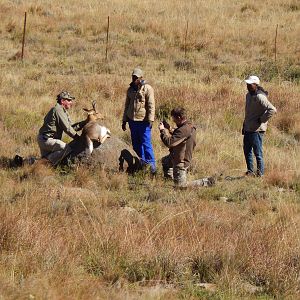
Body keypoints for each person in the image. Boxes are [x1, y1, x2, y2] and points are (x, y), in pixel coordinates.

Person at [37, 91, 87, 166]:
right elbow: (67, 129)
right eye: (69, 100)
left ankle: (28, 162)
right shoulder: (58, 110)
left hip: (45, 139)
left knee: (44, 159)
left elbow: (72, 127)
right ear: (62, 101)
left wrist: (85, 122)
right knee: (66, 149)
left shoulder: (63, 111)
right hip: (47, 140)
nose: (71, 102)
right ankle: (44, 163)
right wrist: (79, 139)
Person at [122, 68, 156, 173]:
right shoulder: (130, 89)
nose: (134, 79)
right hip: (132, 121)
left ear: (141, 77)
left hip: (143, 121)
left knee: (146, 143)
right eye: (133, 77)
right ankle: (140, 164)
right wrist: (124, 120)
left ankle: (152, 167)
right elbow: (127, 105)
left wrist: (150, 119)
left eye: (136, 77)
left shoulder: (147, 88)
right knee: (136, 144)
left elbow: (151, 105)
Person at [242, 75, 277, 177]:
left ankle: (260, 174)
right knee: (247, 151)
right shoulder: (248, 95)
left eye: (250, 84)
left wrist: (261, 120)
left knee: (258, 153)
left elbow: (272, 109)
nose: (248, 86)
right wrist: (244, 124)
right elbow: (248, 113)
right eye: (247, 84)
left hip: (257, 130)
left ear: (256, 85)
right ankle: (250, 171)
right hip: (248, 128)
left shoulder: (260, 96)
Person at [159, 107, 196, 187]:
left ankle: (206, 182)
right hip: (176, 156)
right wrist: (169, 128)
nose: (173, 121)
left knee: (181, 186)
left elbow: (169, 143)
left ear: (179, 117)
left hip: (181, 162)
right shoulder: (188, 125)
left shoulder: (184, 129)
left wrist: (162, 131)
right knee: (165, 161)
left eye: (174, 119)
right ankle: (169, 180)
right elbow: (179, 135)